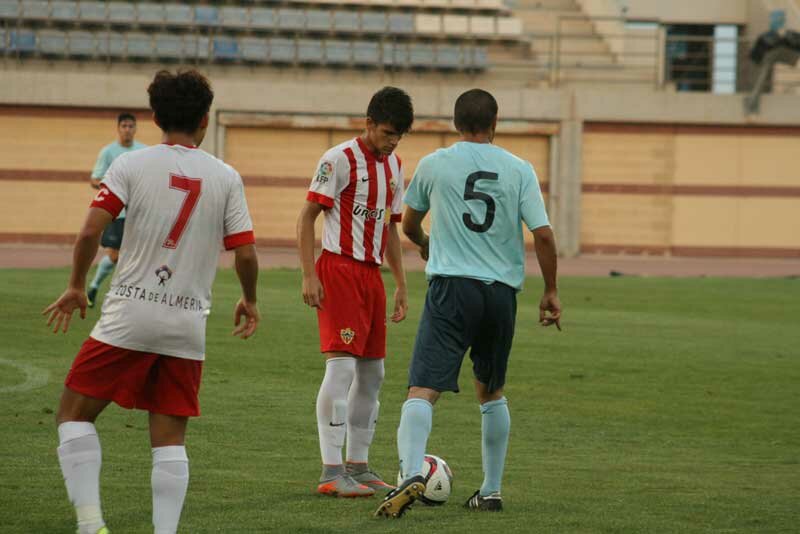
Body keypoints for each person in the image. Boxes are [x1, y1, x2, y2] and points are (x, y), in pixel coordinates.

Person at [43, 70, 260, 534]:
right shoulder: (225, 176)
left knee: (73, 414)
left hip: (129, 314)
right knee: (169, 438)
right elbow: (244, 251)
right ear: (205, 120)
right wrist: (249, 299)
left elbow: (89, 230)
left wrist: (78, 284)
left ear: (156, 117)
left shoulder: (131, 165)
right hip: (187, 324)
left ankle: (90, 524)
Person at [374, 88, 562, 519]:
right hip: (500, 294)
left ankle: (408, 473)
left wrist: (425, 243)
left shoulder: (436, 163)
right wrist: (550, 290)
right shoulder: (519, 169)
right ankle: (491, 491)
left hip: (452, 288)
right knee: (491, 391)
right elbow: (545, 236)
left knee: (422, 386)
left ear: (456, 124)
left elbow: (409, 223)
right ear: (495, 124)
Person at [297, 86, 414, 498]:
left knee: (373, 373)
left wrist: (400, 283)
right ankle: (331, 470)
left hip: (371, 276)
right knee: (342, 368)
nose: (393, 140)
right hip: (339, 269)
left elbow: (391, 228)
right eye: (386, 132)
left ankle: (358, 465)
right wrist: (309, 275)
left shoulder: (395, 166)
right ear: (368, 123)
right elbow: (307, 216)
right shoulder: (338, 159)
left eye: (399, 134)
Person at [86, 112, 147, 308]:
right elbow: (95, 179)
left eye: (131, 126)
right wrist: (115, 190)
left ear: (135, 129)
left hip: (139, 214)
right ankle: (94, 286)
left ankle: (129, 296)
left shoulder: (144, 151)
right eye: (124, 126)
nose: (127, 130)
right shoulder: (108, 152)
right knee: (114, 255)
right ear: (118, 128)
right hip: (116, 213)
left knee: (138, 256)